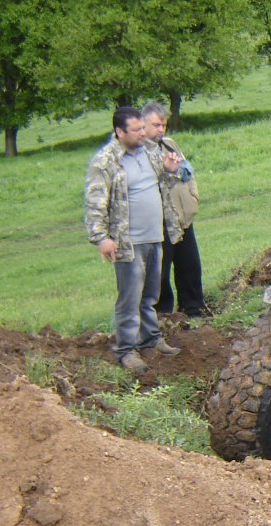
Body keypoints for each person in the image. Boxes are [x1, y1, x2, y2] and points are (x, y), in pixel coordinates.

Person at [84, 105, 183, 373]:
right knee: (130, 298)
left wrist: (169, 169)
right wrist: (101, 238)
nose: (142, 133)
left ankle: (151, 339)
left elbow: (161, 183)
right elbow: (95, 203)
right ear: (120, 132)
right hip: (128, 241)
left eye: (143, 128)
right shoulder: (105, 162)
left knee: (150, 294)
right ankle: (126, 350)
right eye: (136, 130)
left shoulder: (149, 151)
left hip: (154, 235)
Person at [141, 101, 209, 317]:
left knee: (190, 265)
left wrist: (193, 197)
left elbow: (187, 172)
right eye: (156, 125)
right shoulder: (139, 152)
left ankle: (193, 308)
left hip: (181, 217)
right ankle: (164, 315)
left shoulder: (169, 145)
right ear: (143, 124)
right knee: (160, 271)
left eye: (163, 125)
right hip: (158, 222)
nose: (161, 129)